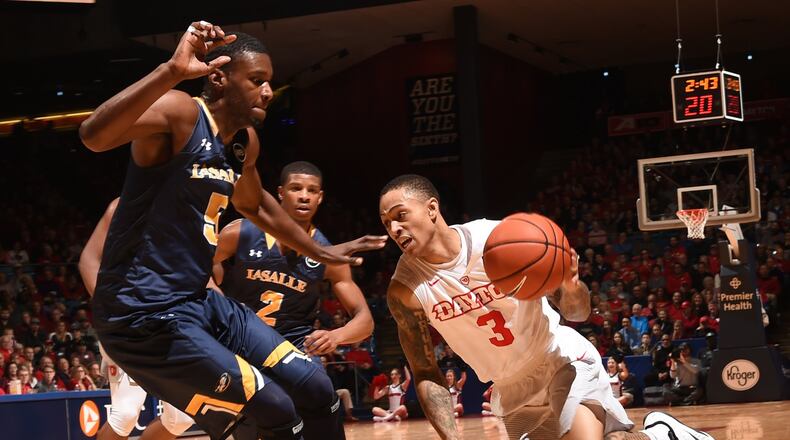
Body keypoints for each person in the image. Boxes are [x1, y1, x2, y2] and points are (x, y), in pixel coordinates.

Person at [79, 21, 384, 440]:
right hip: (144, 314)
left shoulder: (244, 142)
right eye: (257, 80)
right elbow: (93, 135)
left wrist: (326, 252)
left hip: (197, 301)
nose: (267, 92)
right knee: (274, 409)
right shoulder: (180, 112)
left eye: (269, 83)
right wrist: (171, 69)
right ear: (219, 78)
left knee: (317, 388)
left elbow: (254, 203)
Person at [379, 174, 713, 440]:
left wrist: (570, 285)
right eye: (387, 224)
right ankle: (662, 435)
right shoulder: (404, 290)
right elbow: (424, 372)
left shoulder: (496, 240)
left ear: (432, 209)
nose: (395, 229)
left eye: (401, 216)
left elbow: (579, 312)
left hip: (558, 359)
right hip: (509, 387)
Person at [212, 161, 375, 438]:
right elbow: (199, 269)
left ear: (320, 197)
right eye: (296, 188)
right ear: (280, 193)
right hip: (240, 341)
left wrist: (337, 336)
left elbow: (365, 320)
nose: (304, 195)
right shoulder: (240, 232)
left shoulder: (327, 253)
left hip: (293, 345)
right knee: (253, 422)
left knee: (322, 393)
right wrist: (220, 307)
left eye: (312, 190)